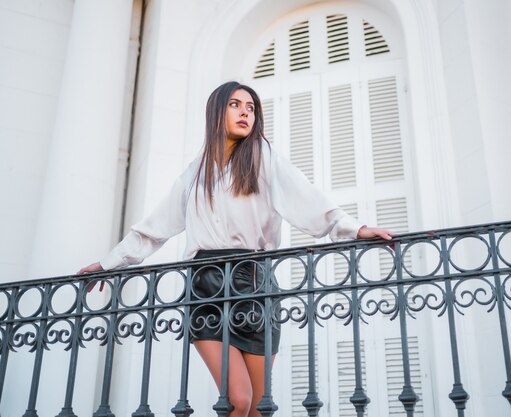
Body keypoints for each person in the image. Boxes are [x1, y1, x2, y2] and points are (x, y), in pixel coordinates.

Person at [79, 81, 392, 417]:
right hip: (206, 285)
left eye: (251, 107)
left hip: (255, 283)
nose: (245, 112)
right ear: (217, 112)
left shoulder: (263, 157)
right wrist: (109, 263)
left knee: (258, 406)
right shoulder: (196, 173)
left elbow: (308, 198)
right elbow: (154, 228)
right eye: (235, 104)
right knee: (238, 399)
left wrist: (354, 229)